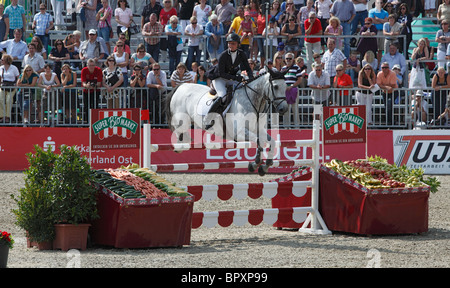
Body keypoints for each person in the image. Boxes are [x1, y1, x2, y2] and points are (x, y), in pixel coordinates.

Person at [204, 32, 254, 128]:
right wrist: (237, 78)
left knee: (242, 92)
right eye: (229, 43)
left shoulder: (242, 54)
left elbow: (248, 68)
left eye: (233, 43)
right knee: (222, 96)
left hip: (231, 77)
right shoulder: (223, 55)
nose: (230, 45)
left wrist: (251, 79)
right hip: (219, 78)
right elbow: (222, 73)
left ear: (238, 44)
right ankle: (209, 118)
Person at [282, 52, 303, 126]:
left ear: (293, 59)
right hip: (285, 91)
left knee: (295, 109)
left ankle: (297, 127)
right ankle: (286, 127)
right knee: (286, 109)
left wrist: (292, 86)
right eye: (287, 58)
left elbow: (300, 79)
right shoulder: (283, 68)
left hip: (294, 90)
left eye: (290, 58)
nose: (288, 60)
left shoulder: (296, 67)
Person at [0, 54, 19, 124]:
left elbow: (18, 77)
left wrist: (16, 85)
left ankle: (8, 116)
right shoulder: (1, 68)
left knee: (9, 100)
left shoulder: (14, 68)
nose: (1, 61)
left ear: (6, 60)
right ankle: (2, 116)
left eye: (2, 59)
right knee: (1, 99)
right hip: (3, 85)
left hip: (12, 86)